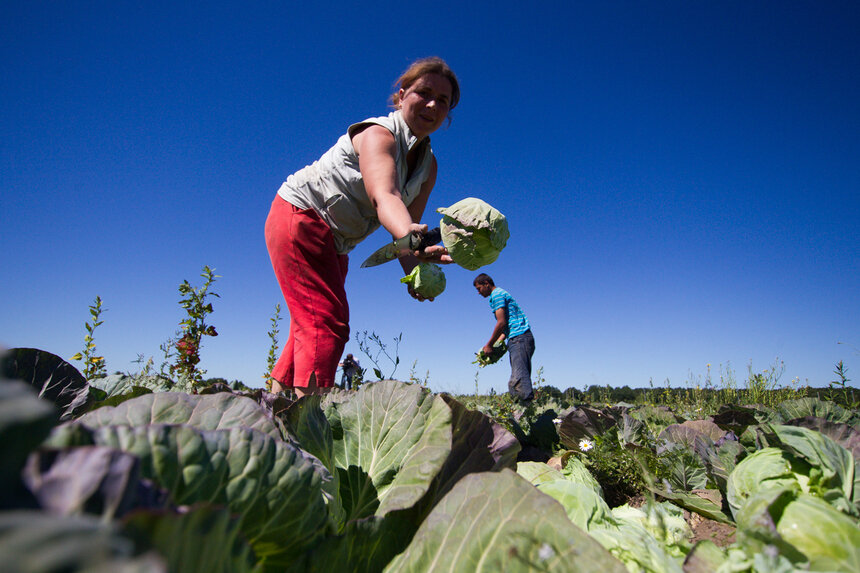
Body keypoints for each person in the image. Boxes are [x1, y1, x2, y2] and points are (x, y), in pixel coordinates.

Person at [265, 57, 459, 398]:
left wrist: (414, 269)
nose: (433, 104)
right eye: (424, 92)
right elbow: (385, 196)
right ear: (401, 97)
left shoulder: (429, 167)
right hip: (302, 217)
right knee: (326, 324)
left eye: (443, 100)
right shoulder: (378, 134)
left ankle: (275, 410)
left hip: (336, 242)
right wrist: (414, 242)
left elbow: (403, 225)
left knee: (308, 323)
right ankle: (309, 427)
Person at [474, 273, 535, 403]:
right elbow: (507, 324)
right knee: (516, 380)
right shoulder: (500, 294)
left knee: (519, 380)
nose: (478, 293)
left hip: (519, 338)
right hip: (518, 338)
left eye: (479, 288)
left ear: (486, 283)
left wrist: (489, 344)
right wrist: (499, 341)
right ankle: (520, 411)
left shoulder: (497, 295)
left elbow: (501, 323)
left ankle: (525, 413)